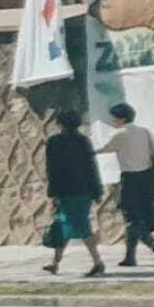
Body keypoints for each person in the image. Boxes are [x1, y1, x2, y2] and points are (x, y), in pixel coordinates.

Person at [97, 102, 154, 267]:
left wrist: (88, 151)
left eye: (115, 118)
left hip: (130, 179)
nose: (113, 121)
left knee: (131, 217)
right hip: (147, 178)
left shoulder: (119, 134)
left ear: (121, 118)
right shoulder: (144, 131)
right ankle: (130, 256)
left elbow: (104, 148)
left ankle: (152, 243)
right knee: (139, 216)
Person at [43, 109, 106, 277]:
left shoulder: (54, 142)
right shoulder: (83, 141)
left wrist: (53, 192)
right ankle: (55, 263)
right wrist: (97, 190)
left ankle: (98, 262)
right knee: (64, 225)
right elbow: (92, 167)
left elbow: (52, 170)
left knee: (79, 226)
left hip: (65, 190)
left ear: (59, 124)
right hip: (84, 190)